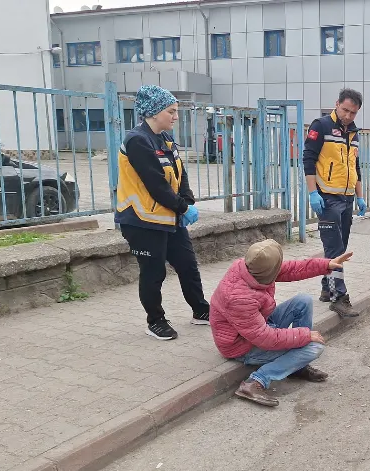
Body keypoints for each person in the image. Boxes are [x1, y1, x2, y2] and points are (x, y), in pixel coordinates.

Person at [115, 84, 210, 341]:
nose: (176, 116)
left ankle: (201, 310)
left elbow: (180, 173)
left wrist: (187, 201)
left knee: (188, 265)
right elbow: (155, 184)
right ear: (154, 112)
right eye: (171, 111)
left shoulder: (165, 138)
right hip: (141, 220)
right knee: (153, 272)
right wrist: (182, 207)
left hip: (169, 217)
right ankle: (155, 321)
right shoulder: (137, 140)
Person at [209, 239, 353, 407]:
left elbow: (291, 269)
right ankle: (255, 382)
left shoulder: (250, 267)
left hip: (257, 325)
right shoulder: (239, 298)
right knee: (314, 347)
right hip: (241, 346)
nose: (280, 267)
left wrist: (326, 264)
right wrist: (304, 336)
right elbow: (265, 338)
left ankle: (296, 366)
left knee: (303, 300)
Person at [303, 89, 367, 319]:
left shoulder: (354, 133)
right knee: (335, 249)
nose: (348, 116)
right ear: (336, 104)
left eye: (353, 112)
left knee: (339, 247)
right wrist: (313, 192)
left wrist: (359, 196)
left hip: (347, 197)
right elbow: (308, 159)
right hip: (327, 198)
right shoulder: (320, 126)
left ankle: (326, 287)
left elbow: (355, 166)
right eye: (345, 110)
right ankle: (338, 297)